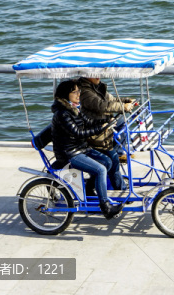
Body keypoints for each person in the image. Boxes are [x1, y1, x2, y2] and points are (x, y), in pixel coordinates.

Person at [50, 79, 124, 220]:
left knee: (107, 162)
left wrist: (104, 122)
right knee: (101, 169)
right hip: (69, 153)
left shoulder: (75, 107)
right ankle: (106, 207)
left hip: (80, 148)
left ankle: (89, 191)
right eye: (75, 92)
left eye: (79, 91)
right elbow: (77, 132)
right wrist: (99, 129)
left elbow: (88, 121)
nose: (79, 94)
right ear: (66, 94)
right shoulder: (62, 113)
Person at [78, 76, 136, 171]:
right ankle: (118, 153)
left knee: (122, 121)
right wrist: (123, 107)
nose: (98, 76)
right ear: (87, 75)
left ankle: (119, 151)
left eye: (99, 73)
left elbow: (111, 100)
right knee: (110, 165)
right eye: (94, 74)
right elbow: (101, 105)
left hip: (104, 120)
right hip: (96, 124)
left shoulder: (97, 87)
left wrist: (126, 101)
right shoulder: (86, 91)